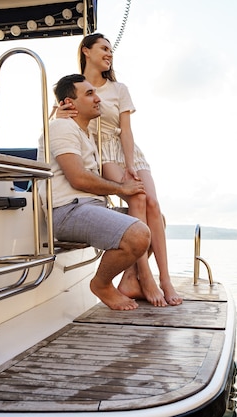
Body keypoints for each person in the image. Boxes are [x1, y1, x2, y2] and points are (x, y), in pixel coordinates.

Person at [56, 33, 183, 307]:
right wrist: (56, 114)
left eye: (111, 50)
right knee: (136, 198)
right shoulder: (76, 89)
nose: (109, 54)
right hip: (99, 152)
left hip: (125, 150)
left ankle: (161, 278)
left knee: (153, 205)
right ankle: (145, 277)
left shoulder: (118, 89)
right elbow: (59, 128)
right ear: (86, 51)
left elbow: (126, 130)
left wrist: (130, 165)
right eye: (103, 48)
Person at [38, 73, 150, 311]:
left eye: (95, 92)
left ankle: (130, 280)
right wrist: (122, 188)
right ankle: (101, 284)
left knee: (152, 218)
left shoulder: (85, 135)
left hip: (90, 207)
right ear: (69, 103)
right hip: (67, 211)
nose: (98, 99)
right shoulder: (61, 127)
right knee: (138, 234)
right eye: (89, 94)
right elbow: (77, 177)